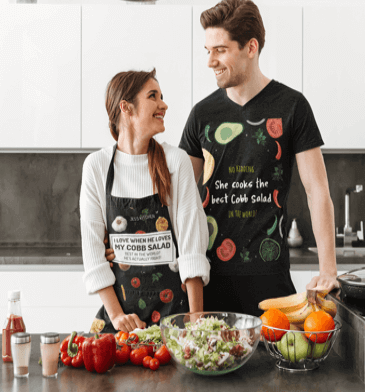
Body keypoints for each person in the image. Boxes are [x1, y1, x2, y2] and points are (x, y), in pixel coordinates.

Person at [178, 0, 339, 317]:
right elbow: (178, 195)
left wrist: (328, 269)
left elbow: (317, 189)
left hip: (271, 280)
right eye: (208, 50)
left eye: (220, 50)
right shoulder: (202, 115)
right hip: (210, 279)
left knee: (277, 364)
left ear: (250, 47)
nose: (210, 61)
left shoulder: (292, 106)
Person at [80, 69, 210, 333]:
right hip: (120, 324)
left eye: (162, 96)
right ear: (126, 108)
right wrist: (117, 317)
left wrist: (197, 322)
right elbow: (94, 254)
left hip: (174, 319)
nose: (164, 104)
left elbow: (192, 249)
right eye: (153, 96)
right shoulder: (97, 166)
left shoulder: (176, 162)